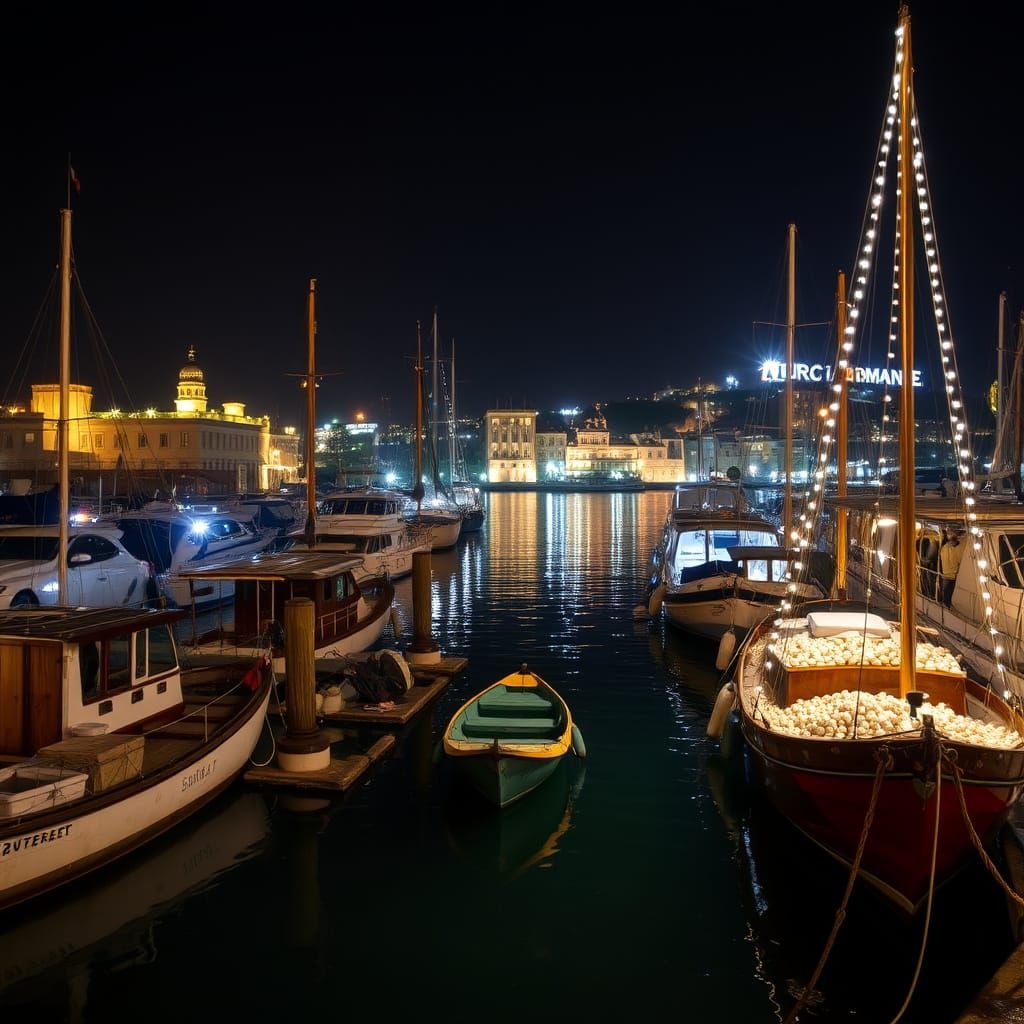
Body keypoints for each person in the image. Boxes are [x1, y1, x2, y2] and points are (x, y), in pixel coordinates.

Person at [937, 527, 964, 608]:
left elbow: (959, 561)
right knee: (946, 595)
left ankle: (947, 606)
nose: (950, 535)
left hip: (954, 576)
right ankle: (945, 606)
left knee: (950, 595)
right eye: (949, 534)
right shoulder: (945, 547)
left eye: (951, 533)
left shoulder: (959, 548)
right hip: (947, 576)